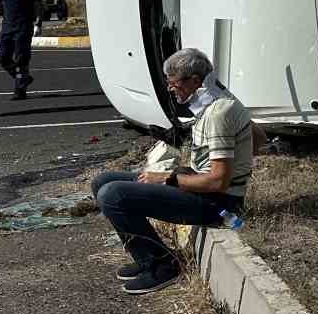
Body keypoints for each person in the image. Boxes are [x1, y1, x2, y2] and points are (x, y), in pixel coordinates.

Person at [90, 48, 259, 294]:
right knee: (102, 181)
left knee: (113, 195)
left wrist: (168, 179)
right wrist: (240, 157)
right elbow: (259, 137)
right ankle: (147, 256)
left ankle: (162, 266)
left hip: (218, 205)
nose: (171, 89)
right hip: (200, 184)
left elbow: (218, 183)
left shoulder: (217, 115)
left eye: (174, 84)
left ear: (194, 81)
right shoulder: (220, 100)